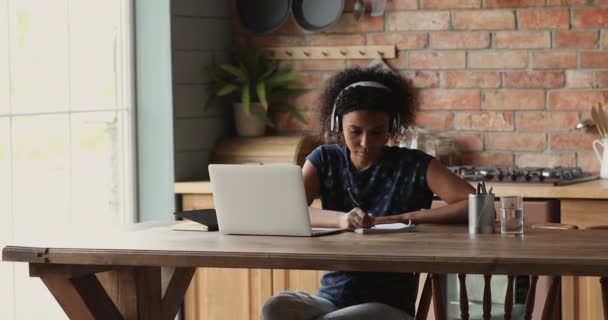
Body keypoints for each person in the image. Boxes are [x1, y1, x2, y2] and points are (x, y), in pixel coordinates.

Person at [260, 66, 474, 320]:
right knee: (274, 309)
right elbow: (290, 212)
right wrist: (341, 219)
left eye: (377, 132)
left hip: (388, 305)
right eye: (355, 131)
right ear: (338, 125)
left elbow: (476, 204)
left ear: (391, 128)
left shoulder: (415, 164)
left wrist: (405, 217)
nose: (365, 142)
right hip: (331, 298)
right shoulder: (324, 159)